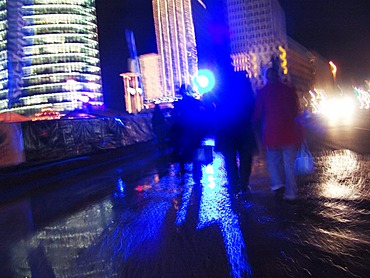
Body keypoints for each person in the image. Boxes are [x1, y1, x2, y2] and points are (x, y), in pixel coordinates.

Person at [253, 68, 303, 201]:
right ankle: (291, 193)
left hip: (272, 132)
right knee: (289, 164)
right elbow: (296, 110)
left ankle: (277, 185)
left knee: (273, 161)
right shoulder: (288, 90)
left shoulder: (263, 92)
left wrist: (254, 126)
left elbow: (258, 113)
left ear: (266, 77)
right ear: (278, 76)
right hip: (289, 131)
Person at [215, 71, 257, 197]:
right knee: (245, 159)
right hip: (243, 129)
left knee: (230, 160)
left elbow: (218, 110)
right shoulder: (246, 90)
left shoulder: (224, 90)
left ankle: (234, 186)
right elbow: (253, 107)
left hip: (228, 130)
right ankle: (243, 185)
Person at [169, 84, 205, 175]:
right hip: (192, 129)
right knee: (195, 147)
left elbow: (175, 116)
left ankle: (185, 167)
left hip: (185, 129)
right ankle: (197, 169)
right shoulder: (193, 102)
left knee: (183, 148)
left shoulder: (181, 103)